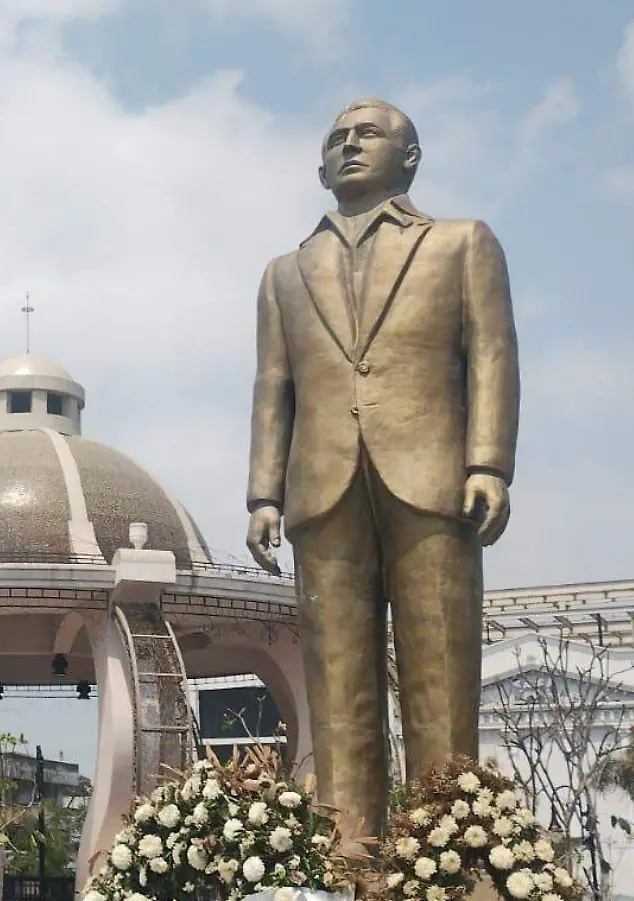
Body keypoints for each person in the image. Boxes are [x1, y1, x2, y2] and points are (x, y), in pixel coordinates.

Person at [245, 98, 519, 846]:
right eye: (335, 138)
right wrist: (264, 492)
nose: (348, 145)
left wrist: (489, 463)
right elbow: (275, 385)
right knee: (335, 678)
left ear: (410, 155)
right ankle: (348, 848)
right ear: (321, 166)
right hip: (321, 483)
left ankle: (448, 846)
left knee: (439, 669)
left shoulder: (462, 244)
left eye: (367, 134)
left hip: (431, 474)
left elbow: (492, 354)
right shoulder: (283, 274)